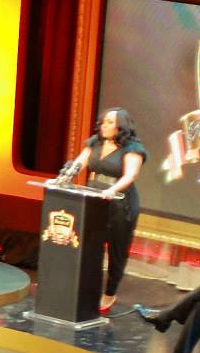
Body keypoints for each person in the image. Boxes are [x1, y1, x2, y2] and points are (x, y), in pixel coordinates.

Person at [52, 106, 148, 315]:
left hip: (120, 203)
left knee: (117, 250)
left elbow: (130, 175)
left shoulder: (132, 148)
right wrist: (62, 179)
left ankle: (110, 292)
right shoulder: (95, 142)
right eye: (103, 122)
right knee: (86, 244)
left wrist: (112, 190)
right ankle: (82, 287)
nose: (104, 125)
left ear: (120, 126)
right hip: (93, 198)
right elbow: (78, 163)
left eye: (109, 122)